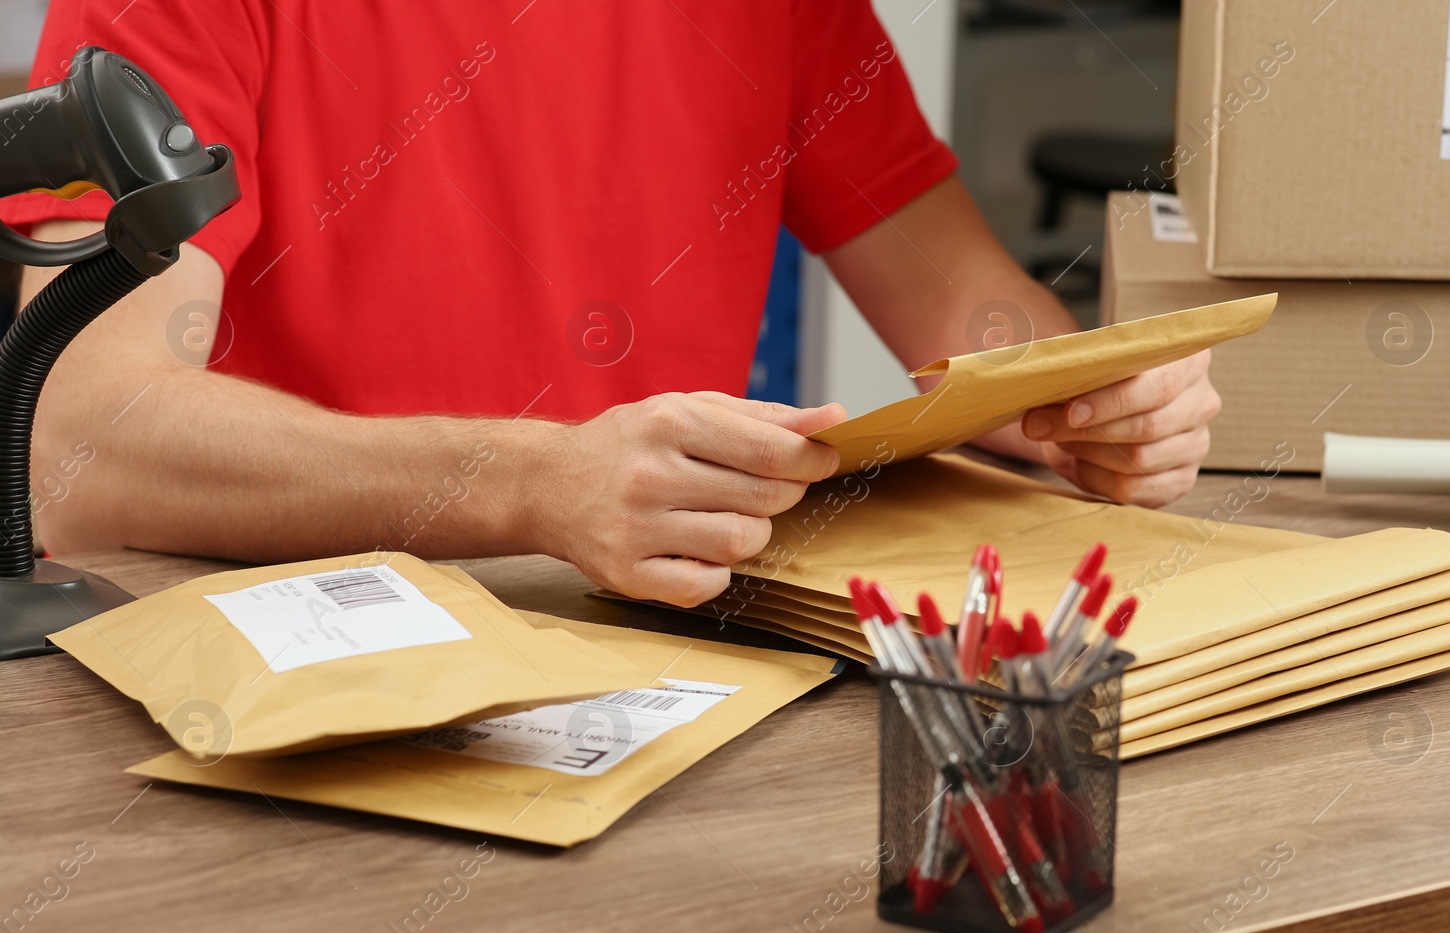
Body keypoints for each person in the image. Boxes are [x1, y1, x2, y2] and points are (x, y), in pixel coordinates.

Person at [5, 1, 1219, 607]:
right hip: (295, 657)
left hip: (657, 657)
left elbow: (971, 317)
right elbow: (78, 439)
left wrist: (1093, 392)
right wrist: (535, 485)